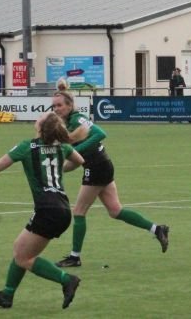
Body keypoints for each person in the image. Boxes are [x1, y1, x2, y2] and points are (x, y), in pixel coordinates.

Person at [0, 112, 84, 309]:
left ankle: (66, 279)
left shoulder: (27, 147)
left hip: (48, 210)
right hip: (61, 208)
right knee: (20, 249)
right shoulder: (63, 146)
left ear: (40, 127)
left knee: (23, 257)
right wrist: (59, 169)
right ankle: (7, 295)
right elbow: (79, 160)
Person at [52, 89, 170, 268]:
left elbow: (100, 133)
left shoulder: (77, 119)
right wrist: (58, 171)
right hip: (102, 165)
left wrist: (77, 151)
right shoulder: (68, 125)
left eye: (60, 105)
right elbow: (76, 161)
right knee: (115, 211)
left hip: (97, 166)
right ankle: (157, 229)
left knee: (79, 212)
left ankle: (75, 257)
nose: (57, 109)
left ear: (70, 105)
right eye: (54, 106)